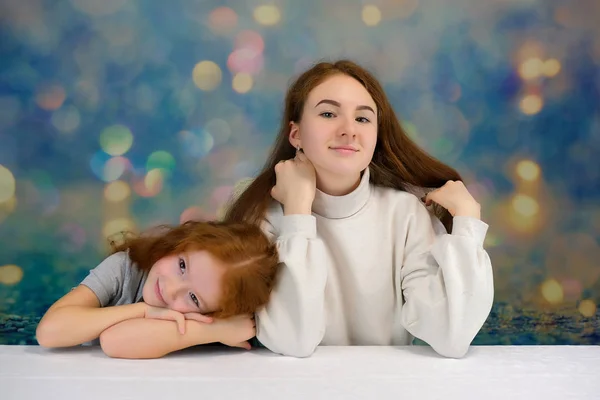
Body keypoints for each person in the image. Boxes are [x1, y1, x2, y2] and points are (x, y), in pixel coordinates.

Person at [224, 59, 494, 358]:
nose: (349, 130)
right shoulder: (261, 214)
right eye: (328, 113)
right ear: (296, 134)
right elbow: (292, 341)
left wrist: (468, 223)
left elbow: (451, 336)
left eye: (363, 119)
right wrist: (298, 212)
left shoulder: (405, 213)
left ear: (376, 136)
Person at [36, 220, 280, 359]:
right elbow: (49, 333)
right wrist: (144, 310)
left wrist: (211, 330)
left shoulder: (206, 320)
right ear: (178, 244)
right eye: (182, 265)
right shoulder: (125, 268)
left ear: (213, 313)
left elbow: (115, 341)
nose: (172, 288)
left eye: (194, 298)